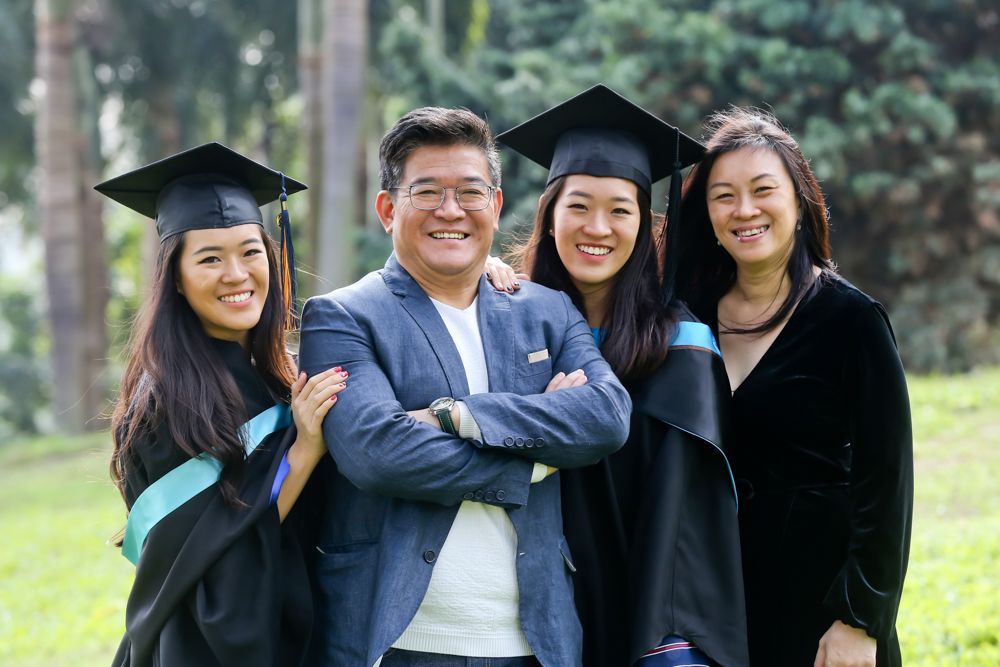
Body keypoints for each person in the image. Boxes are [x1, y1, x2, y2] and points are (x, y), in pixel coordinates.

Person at [297, 106, 632, 666]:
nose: (450, 210)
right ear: (387, 209)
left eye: (470, 192)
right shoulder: (342, 318)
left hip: (536, 644)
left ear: (496, 206)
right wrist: (537, 460)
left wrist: (460, 416)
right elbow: (380, 454)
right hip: (398, 642)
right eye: (426, 192)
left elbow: (605, 417)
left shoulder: (548, 311)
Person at [495, 84, 748, 667]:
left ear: (644, 223)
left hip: (639, 623)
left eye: (620, 209)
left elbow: (683, 526)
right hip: (514, 618)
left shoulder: (680, 348)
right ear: (550, 214)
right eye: (578, 206)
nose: (597, 228)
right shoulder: (505, 323)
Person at [675, 107, 913, 667]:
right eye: (723, 196)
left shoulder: (850, 320)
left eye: (763, 190)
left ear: (800, 200)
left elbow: (888, 485)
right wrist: (495, 274)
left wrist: (860, 619)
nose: (744, 210)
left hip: (821, 610)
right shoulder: (685, 317)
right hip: (712, 603)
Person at [97, 143, 347, 666]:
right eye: (210, 258)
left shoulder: (278, 373)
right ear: (178, 280)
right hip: (202, 649)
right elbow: (218, 560)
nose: (236, 274)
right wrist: (303, 450)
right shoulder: (165, 404)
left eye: (250, 251)